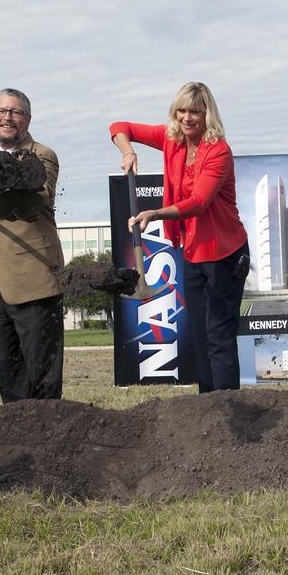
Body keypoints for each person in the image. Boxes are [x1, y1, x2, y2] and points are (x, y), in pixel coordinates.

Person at [110, 82, 249, 393]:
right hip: (194, 253)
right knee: (200, 335)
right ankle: (207, 406)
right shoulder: (171, 139)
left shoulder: (218, 151)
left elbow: (199, 202)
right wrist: (128, 150)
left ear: (207, 114)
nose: (188, 118)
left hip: (225, 253)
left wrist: (153, 214)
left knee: (218, 334)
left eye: (195, 112)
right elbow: (120, 126)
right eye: (182, 110)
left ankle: (229, 406)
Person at [0, 88, 66, 402]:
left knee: (42, 372)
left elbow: (39, 196)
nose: (7, 117)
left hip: (34, 274)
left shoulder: (40, 154)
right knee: (9, 370)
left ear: (27, 119)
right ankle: (17, 432)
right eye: (1, 111)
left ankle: (50, 434)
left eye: (16, 112)